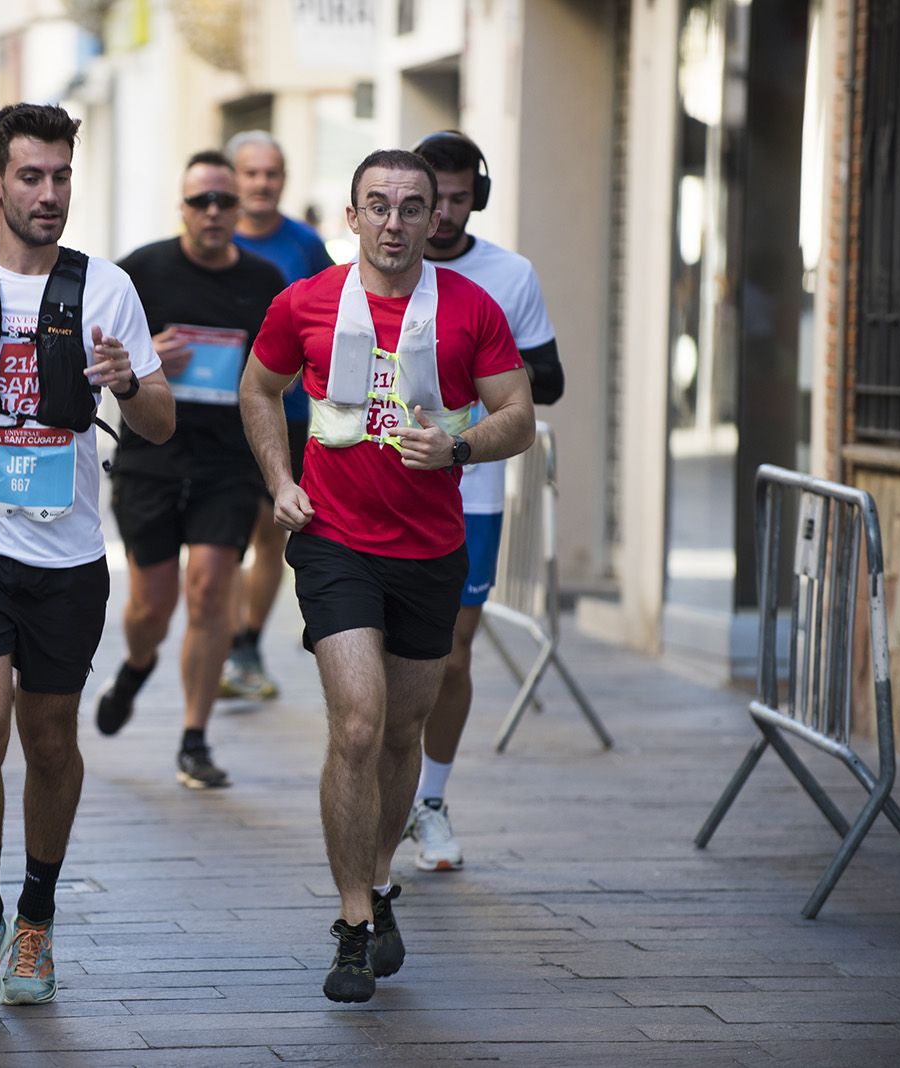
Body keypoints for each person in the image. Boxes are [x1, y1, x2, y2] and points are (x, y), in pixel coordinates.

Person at [0, 103, 173, 1011]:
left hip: (67, 554)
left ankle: (36, 919)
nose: (49, 194)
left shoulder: (108, 291)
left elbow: (160, 424)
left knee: (50, 741)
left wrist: (127, 382)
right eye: (31, 177)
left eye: (61, 177)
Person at [239, 149, 534, 1003]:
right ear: (352, 216)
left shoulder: (471, 308)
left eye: (411, 207)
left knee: (403, 733)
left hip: (431, 550)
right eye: (378, 205)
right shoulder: (304, 302)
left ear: (435, 216)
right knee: (360, 723)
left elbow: (519, 415)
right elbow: (260, 390)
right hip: (334, 540)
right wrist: (280, 480)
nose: (394, 222)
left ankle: (377, 879)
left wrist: (460, 447)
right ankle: (352, 923)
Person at [94, 150, 286, 788]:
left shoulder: (263, 281)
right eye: (201, 200)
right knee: (152, 604)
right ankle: (136, 665)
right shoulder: (140, 271)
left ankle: (195, 738)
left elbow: (280, 369)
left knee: (208, 592)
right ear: (181, 206)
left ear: (239, 208)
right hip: (151, 457)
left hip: (226, 463)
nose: (212, 211)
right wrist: (145, 356)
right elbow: (98, 350)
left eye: (224, 201)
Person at [401, 131, 566, 874]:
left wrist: (483, 360)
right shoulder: (376, 266)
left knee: (451, 654)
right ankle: (383, 786)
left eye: (460, 199)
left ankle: (430, 801)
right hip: (385, 482)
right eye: (431, 198)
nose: (442, 215)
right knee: (381, 655)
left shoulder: (509, 275)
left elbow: (550, 381)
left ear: (479, 198)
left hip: (472, 489)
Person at [222, 130, 334, 701]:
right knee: (222, 537)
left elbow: (337, 314)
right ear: (233, 177)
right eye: (251, 173)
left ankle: (245, 645)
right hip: (218, 415)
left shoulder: (306, 246)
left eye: (271, 173)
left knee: (271, 534)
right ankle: (219, 642)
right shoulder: (212, 235)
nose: (261, 183)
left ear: (284, 180)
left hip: (283, 412)